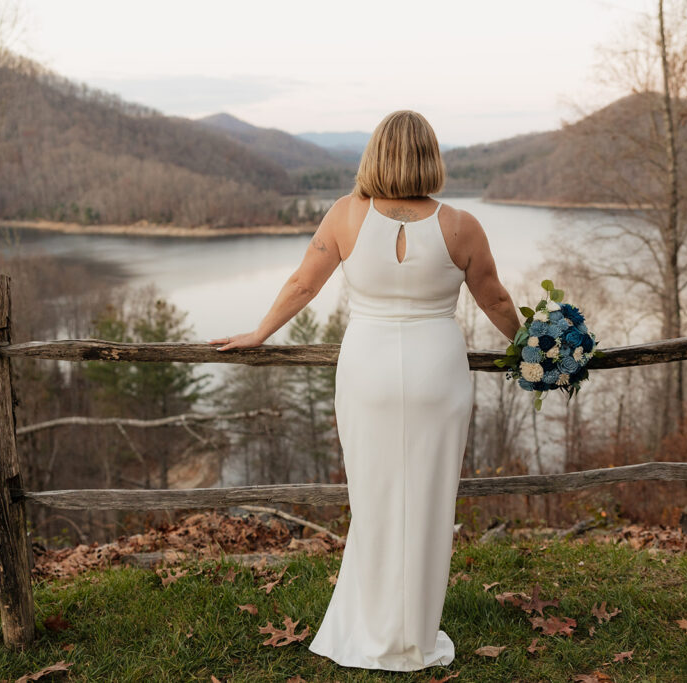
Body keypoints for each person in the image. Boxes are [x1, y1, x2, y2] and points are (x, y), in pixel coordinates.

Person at [208, 110, 521, 671]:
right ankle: (413, 637)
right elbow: (495, 300)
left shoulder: (346, 216)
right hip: (436, 373)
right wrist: (534, 348)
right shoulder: (462, 225)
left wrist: (258, 332)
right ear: (431, 157)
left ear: (375, 154)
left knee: (373, 500)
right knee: (428, 499)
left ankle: (371, 627)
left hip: (368, 369)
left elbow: (304, 283)